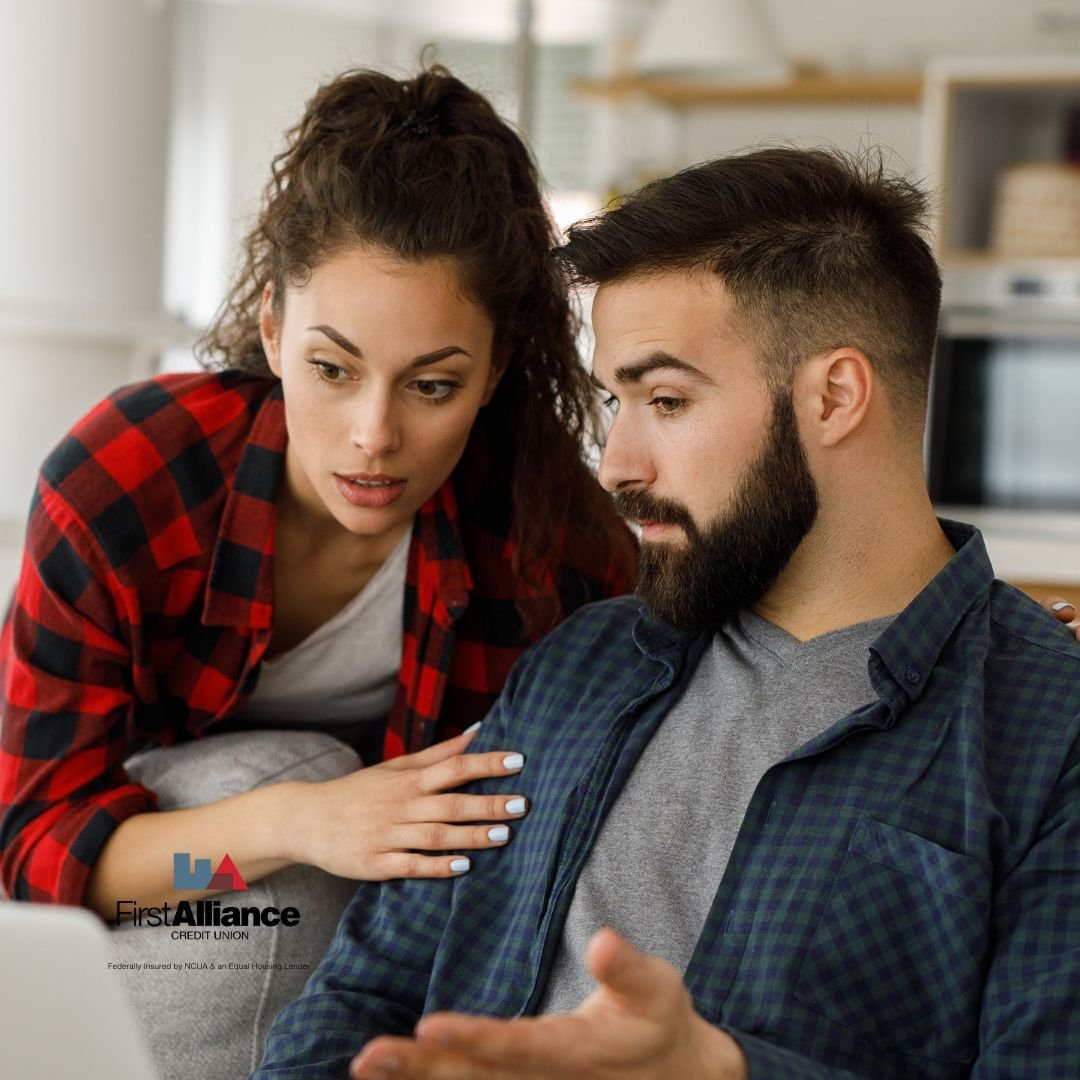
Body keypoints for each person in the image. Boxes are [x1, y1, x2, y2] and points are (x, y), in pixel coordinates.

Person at [255, 147, 1080, 1080]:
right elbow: (363, 994)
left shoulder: (1047, 735)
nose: (616, 464)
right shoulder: (580, 666)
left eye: (667, 400)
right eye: (617, 401)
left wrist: (723, 1073)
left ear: (834, 397)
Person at [0, 65, 635, 1079]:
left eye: (433, 385)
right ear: (271, 328)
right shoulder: (128, 483)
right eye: (331, 369)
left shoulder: (555, 547)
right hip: (173, 892)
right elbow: (39, 862)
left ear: (500, 366)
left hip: (401, 944)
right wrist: (298, 824)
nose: (372, 437)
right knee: (279, 836)